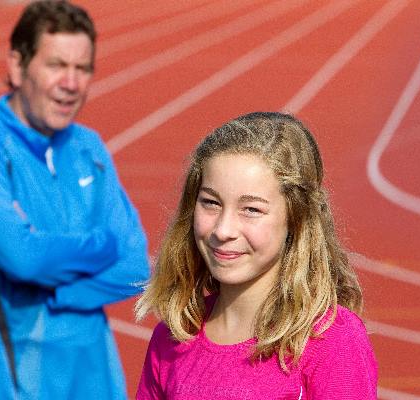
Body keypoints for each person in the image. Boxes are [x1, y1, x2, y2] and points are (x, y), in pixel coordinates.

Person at [0, 1, 149, 398]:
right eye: (56, 65)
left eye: (82, 69)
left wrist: (53, 288)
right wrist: (102, 245)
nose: (71, 83)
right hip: (1, 382)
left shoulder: (90, 149)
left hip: (92, 383)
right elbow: (24, 257)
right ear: (18, 66)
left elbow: (135, 264)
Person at [135, 112, 377, 399]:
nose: (223, 230)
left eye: (251, 209)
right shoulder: (172, 337)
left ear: (295, 219)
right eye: (211, 203)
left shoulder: (331, 340)